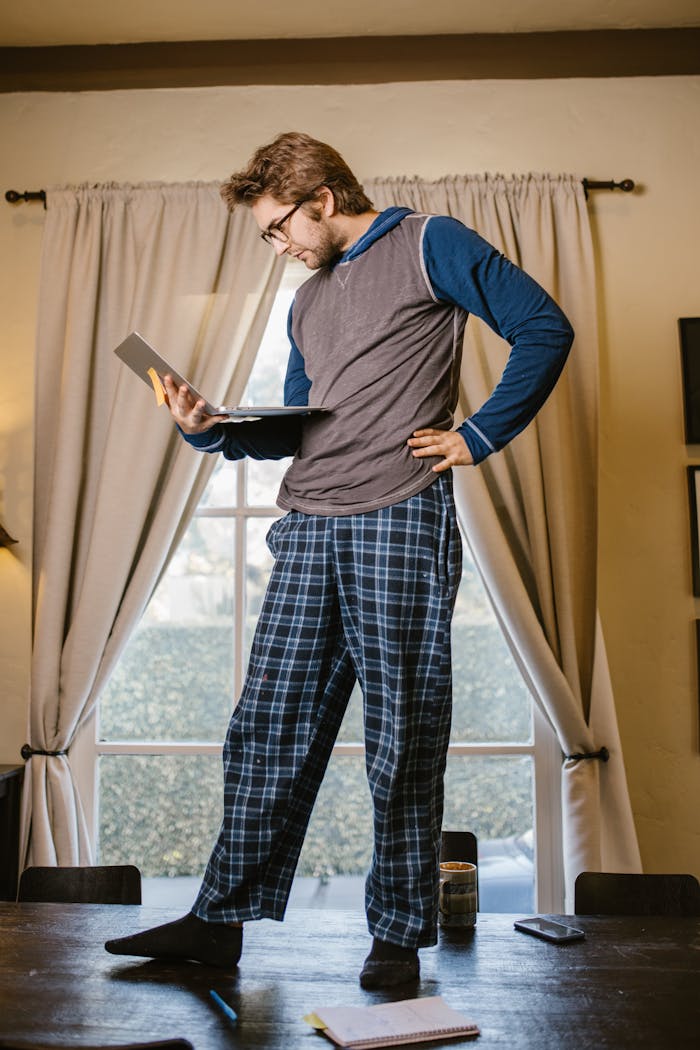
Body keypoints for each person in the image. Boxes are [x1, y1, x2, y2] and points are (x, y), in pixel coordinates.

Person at [105, 132, 573, 988]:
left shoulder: (432, 243)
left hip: (398, 518)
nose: (277, 246)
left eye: (278, 226)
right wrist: (214, 430)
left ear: (321, 197)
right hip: (310, 523)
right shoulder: (308, 304)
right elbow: (301, 425)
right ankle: (218, 921)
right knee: (263, 730)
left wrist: (477, 435)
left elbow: (545, 326)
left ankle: (396, 936)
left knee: (401, 735)